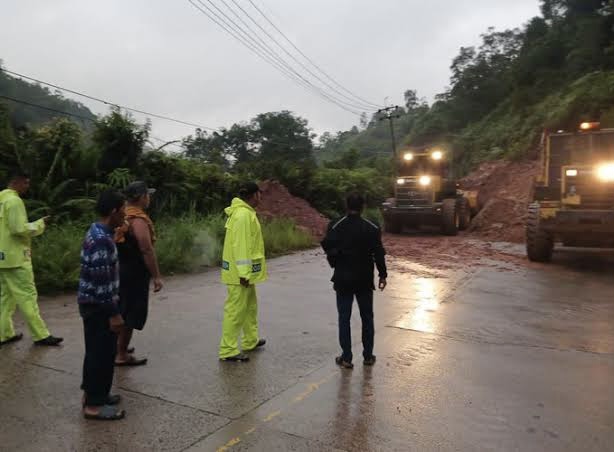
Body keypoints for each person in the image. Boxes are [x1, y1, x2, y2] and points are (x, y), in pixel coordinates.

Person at [321, 193, 388, 369]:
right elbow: (379, 253)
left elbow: (327, 245)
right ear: (363, 206)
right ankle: (368, 356)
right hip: (364, 279)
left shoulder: (336, 225)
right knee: (367, 317)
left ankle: (347, 357)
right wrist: (383, 274)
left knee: (344, 318)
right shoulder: (372, 227)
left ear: (346, 205)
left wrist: (335, 261)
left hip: (343, 278)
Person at [0, 169, 63, 347]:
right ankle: (41, 335)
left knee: (5, 298)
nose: (28, 186)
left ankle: (3, 333)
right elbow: (18, 229)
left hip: (2, 258)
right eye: (26, 183)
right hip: (17, 259)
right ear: (18, 182)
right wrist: (40, 224)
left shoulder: (1, 199)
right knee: (27, 296)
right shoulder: (14, 201)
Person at [78, 190, 126, 421]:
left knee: (98, 353)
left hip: (94, 304)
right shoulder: (100, 239)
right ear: (114, 211)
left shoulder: (100, 232)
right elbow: (102, 282)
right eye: (123, 210)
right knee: (101, 354)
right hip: (98, 306)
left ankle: (95, 395)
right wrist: (114, 314)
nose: (125, 214)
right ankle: (94, 406)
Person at [114, 181, 163, 367]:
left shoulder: (122, 214)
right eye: (147, 195)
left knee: (121, 309)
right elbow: (146, 249)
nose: (149, 198)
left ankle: (119, 347)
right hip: (133, 272)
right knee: (131, 313)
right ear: (142, 197)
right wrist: (156, 276)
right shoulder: (139, 220)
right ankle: (121, 354)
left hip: (120, 268)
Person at [219, 182, 267, 362]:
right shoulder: (243, 215)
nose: (260, 198)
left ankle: (250, 340)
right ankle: (228, 350)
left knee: (249, 307)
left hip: (243, 274)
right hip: (239, 275)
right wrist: (244, 274)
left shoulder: (244, 213)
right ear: (254, 195)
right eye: (259, 194)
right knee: (235, 310)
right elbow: (241, 246)